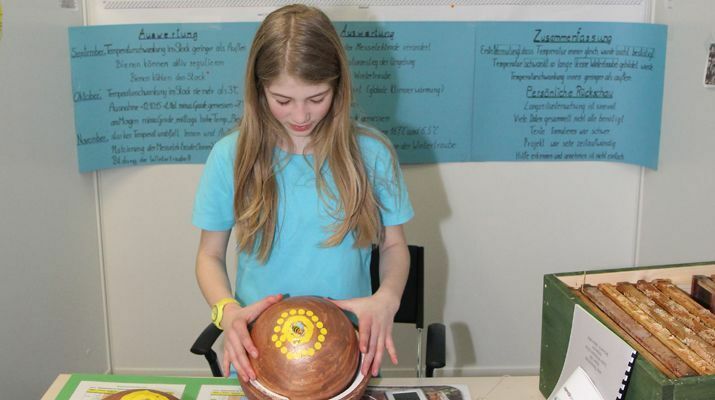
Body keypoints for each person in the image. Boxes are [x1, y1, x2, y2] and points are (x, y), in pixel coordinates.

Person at [192, 4, 414, 383]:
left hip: (346, 354)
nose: (300, 116)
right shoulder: (231, 155)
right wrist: (226, 311)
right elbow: (209, 256)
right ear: (259, 89)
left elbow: (394, 245)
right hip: (259, 355)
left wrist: (387, 298)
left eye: (316, 98)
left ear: (338, 87)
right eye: (282, 100)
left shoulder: (372, 154)